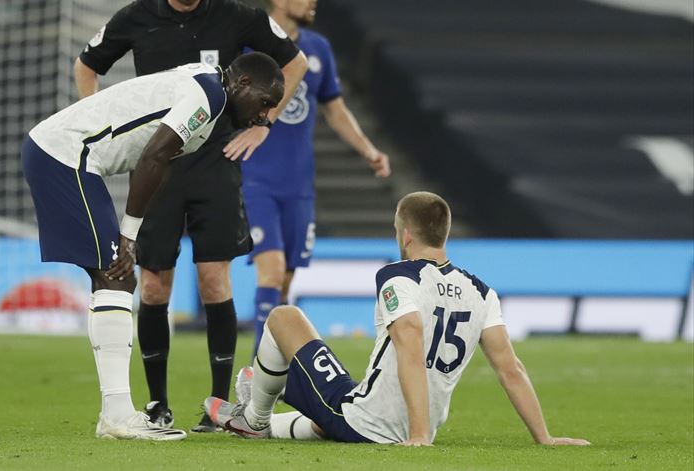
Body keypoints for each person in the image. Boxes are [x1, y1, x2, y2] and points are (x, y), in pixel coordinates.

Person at [22, 53, 285, 440]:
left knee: (113, 279)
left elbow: (156, 159)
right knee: (116, 278)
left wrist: (129, 234)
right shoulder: (208, 96)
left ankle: (116, 414)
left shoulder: (209, 89)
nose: (264, 117)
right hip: (67, 155)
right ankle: (115, 416)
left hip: (68, 156)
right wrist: (128, 237)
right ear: (243, 83)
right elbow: (154, 156)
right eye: (265, 102)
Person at [74, 0, 308, 432]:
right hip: (156, 167)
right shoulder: (135, 17)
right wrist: (98, 125)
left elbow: (296, 63)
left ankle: (219, 407)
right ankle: (157, 404)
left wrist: (263, 124)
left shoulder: (238, 15)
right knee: (154, 285)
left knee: (214, 279)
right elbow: (86, 66)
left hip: (215, 164)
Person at [205, 192, 591, 446]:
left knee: (284, 317)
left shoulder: (399, 276)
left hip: (372, 422)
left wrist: (419, 437)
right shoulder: (482, 291)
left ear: (406, 235)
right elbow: (511, 368)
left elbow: (409, 339)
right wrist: (544, 438)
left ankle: (255, 417)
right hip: (404, 422)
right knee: (336, 406)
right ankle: (266, 415)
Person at [243, 0, 391, 358]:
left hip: (298, 185)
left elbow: (335, 109)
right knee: (272, 271)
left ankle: (268, 373)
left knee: (285, 281)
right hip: (255, 177)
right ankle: (252, 373)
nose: (313, 2)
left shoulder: (318, 48)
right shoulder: (247, 43)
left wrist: (368, 149)